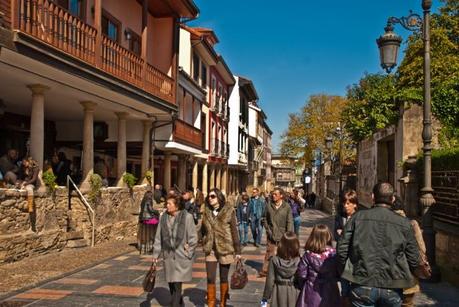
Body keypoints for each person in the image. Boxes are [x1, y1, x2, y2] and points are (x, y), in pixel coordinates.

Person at [337, 182, 420, 307]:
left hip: (362, 282)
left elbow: (341, 250)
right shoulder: (404, 224)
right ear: (392, 199)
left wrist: (346, 272)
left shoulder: (357, 218)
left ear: (373, 197)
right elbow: (414, 258)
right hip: (392, 285)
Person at [152, 196, 198, 307]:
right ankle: (179, 302)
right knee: (171, 283)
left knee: (177, 284)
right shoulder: (163, 218)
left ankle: (175, 303)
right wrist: (155, 255)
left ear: (177, 206)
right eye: (166, 203)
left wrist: (189, 252)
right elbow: (158, 238)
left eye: (169, 204)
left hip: (181, 256)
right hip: (168, 256)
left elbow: (193, 237)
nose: (166, 205)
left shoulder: (187, 217)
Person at [201, 188, 241, 307]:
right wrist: (197, 240)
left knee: (224, 277)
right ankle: (211, 303)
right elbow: (203, 229)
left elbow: (234, 231)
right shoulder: (206, 211)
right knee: (210, 277)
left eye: (212, 196)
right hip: (210, 248)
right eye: (209, 196)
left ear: (219, 198)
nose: (210, 198)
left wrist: (238, 250)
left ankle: (223, 303)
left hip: (225, 248)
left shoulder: (229, 210)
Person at [392, 196, 427, 307]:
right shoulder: (412, 223)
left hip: (389, 278)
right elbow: (422, 249)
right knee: (408, 304)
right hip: (409, 277)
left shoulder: (385, 223)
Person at [295, 224, 340, 307]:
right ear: (328, 236)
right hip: (331, 291)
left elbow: (302, 275)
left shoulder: (308, 255)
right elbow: (338, 272)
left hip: (311, 291)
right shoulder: (334, 254)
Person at [260, 187, 294, 277]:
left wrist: (289, 234)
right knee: (269, 252)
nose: (273, 196)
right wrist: (268, 229)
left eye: (276, 194)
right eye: (273, 194)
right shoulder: (269, 205)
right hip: (271, 233)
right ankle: (265, 270)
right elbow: (264, 218)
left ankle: (283, 270)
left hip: (283, 234)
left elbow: (290, 221)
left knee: (283, 253)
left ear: (281, 196)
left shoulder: (286, 207)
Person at [261, 231, 300, 307]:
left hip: (278, 293)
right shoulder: (299, 261)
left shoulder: (274, 260)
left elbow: (269, 282)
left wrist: (264, 299)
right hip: (294, 292)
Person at [138, 188, 160, 254]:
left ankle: (150, 244)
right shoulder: (149, 199)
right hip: (148, 219)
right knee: (159, 224)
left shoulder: (143, 200)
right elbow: (150, 210)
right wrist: (157, 212)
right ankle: (153, 244)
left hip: (142, 219)